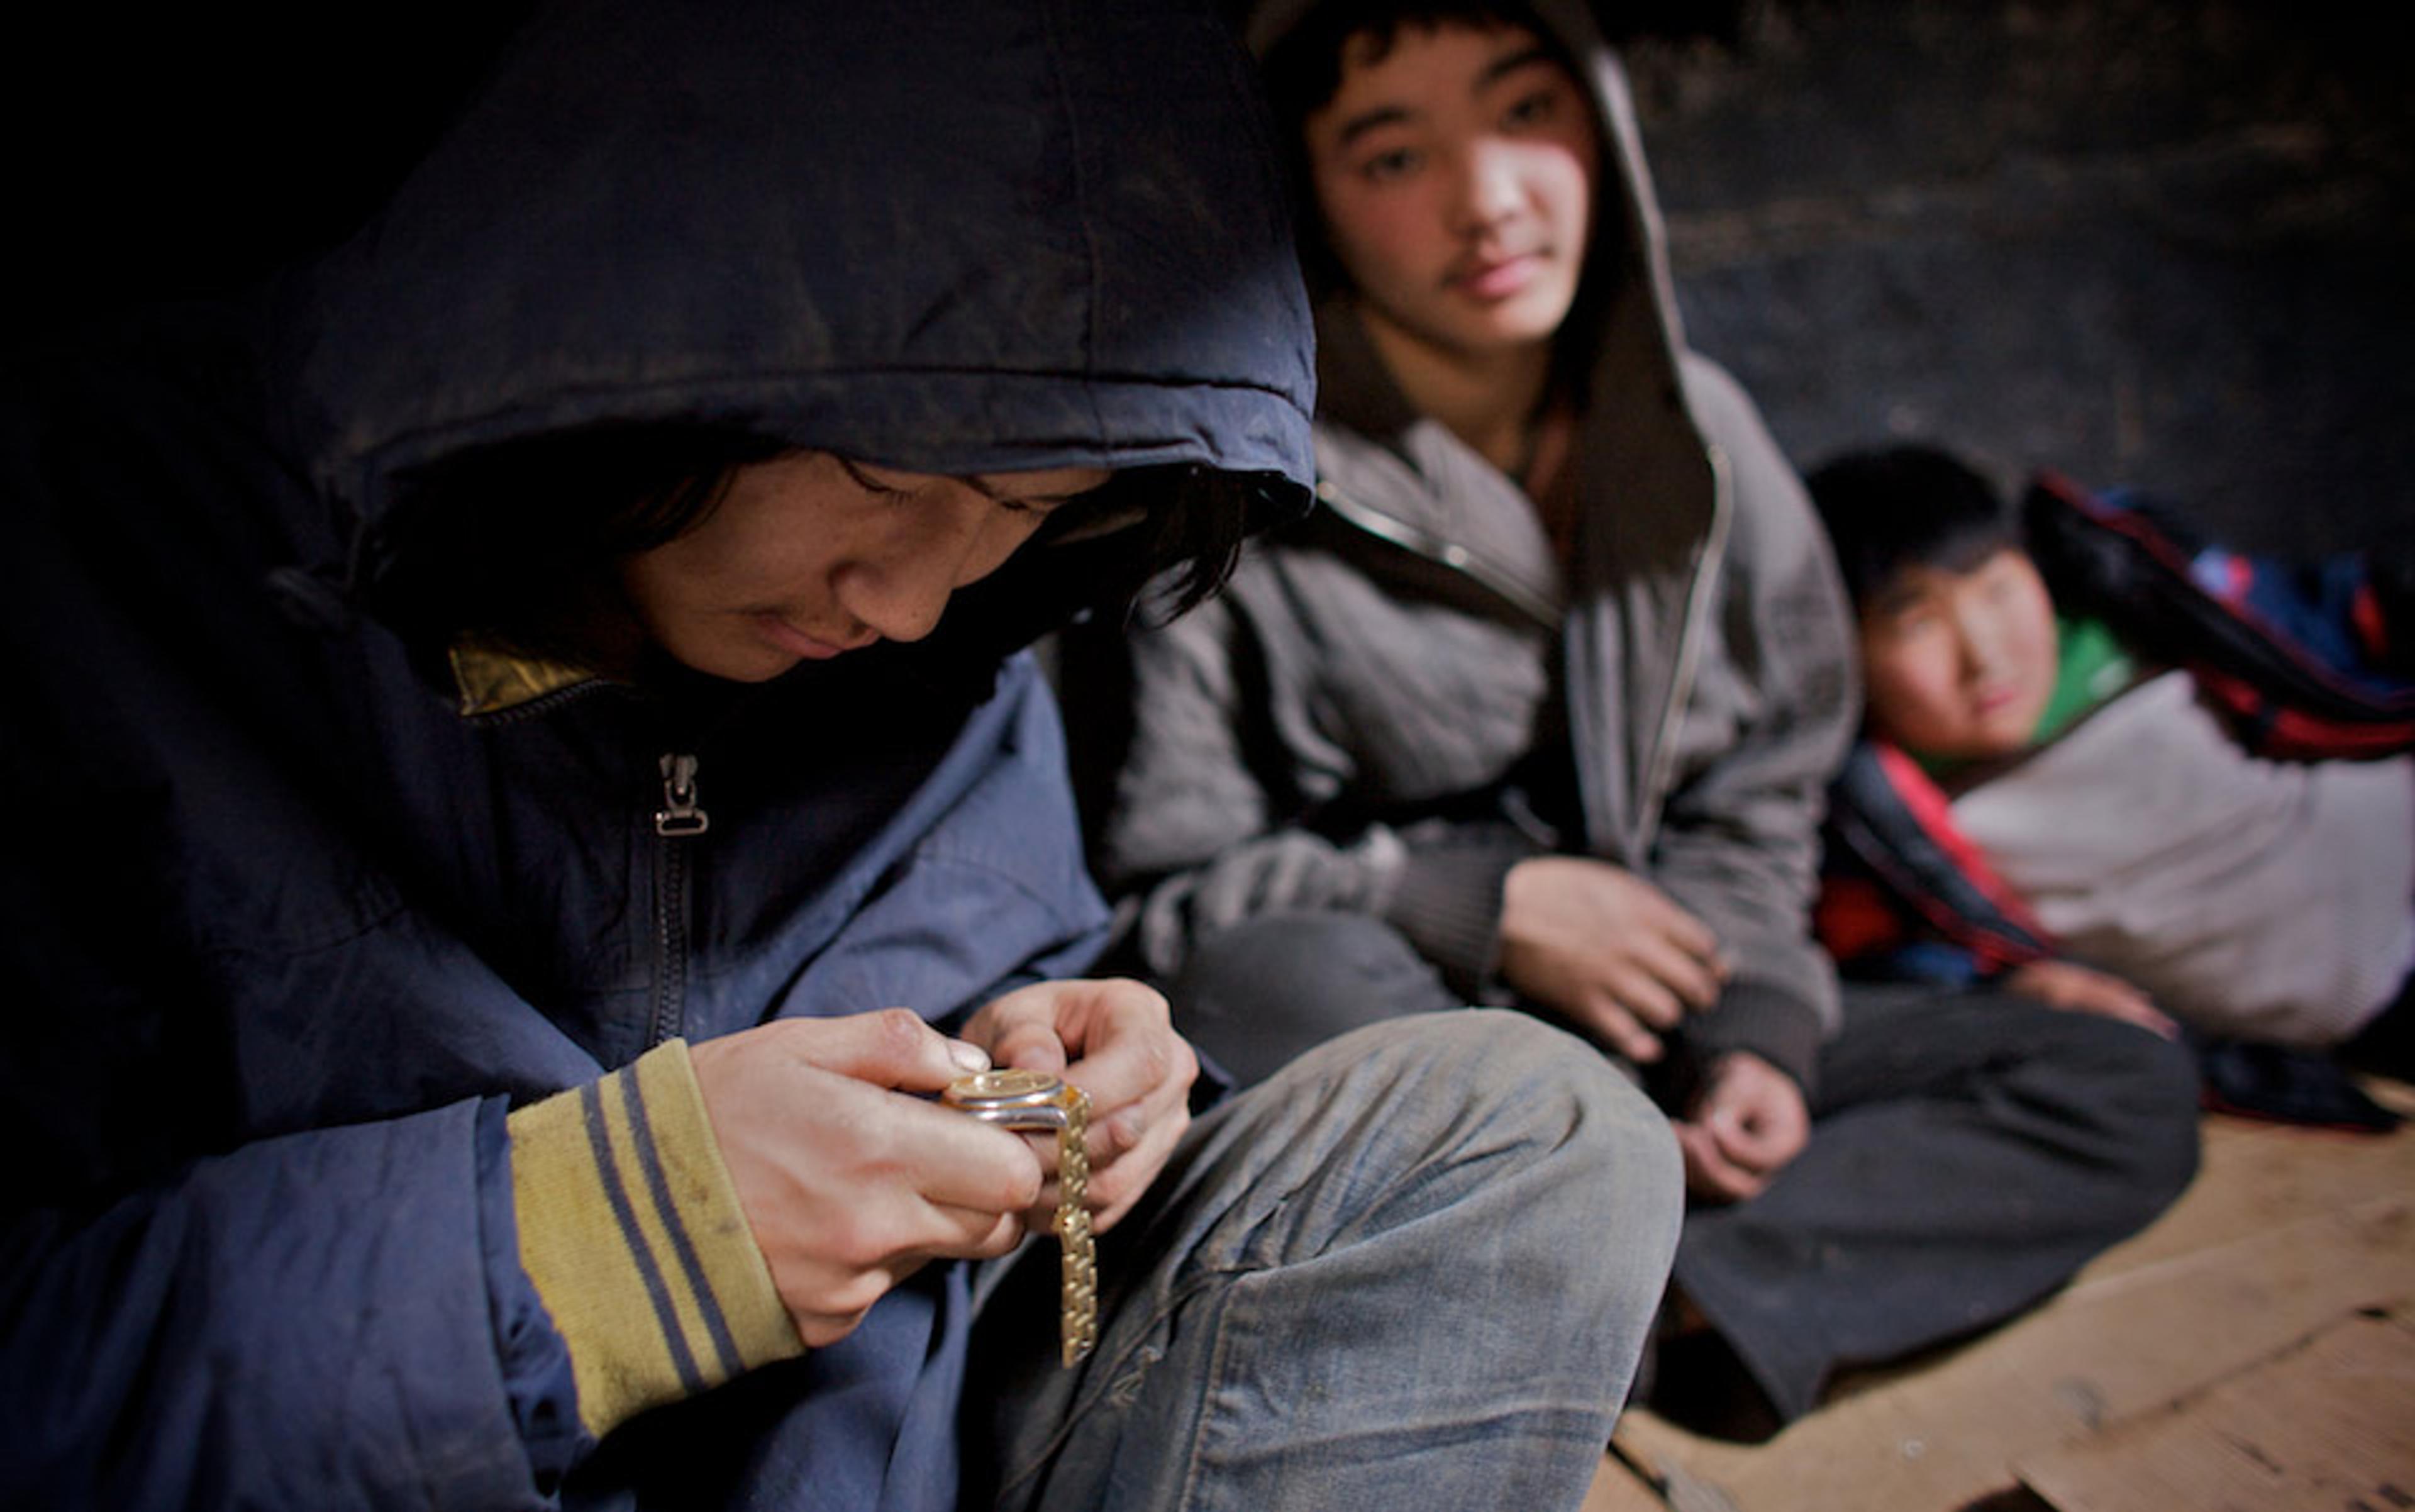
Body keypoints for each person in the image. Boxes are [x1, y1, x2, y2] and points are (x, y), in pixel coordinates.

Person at [0, 3, 1687, 1508]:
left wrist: (1065, 1044)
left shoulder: (953, 640)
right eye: (882, 473)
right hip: (392, 1439)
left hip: (896, 1440)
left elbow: (1007, 948)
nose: (910, 599)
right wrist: (586, 1244)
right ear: (622, 333)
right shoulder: (95, 553)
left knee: (1533, 1131)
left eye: (1028, 510)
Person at [1065, 0, 2201, 1435]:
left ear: (1597, 131)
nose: (1488, 201)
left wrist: (1758, 1035)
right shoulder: (1233, 497)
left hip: (1652, 1023)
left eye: (1525, 113)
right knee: (1276, 980)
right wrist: (1484, 903)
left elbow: (1761, 783)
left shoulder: (1697, 438)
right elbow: (1167, 900)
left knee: (2117, 1079)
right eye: (1392, 155)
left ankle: (1649, 1296)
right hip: (1432, 1035)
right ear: (1309, 198)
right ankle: (1549, 1244)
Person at [1807, 443, 2415, 1119]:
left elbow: (2343, 617)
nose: (1985, 655)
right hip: (2365, 998)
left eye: (1999, 588)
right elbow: (1886, 972)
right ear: (1843, 654)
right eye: (1918, 622)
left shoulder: (2145, 595)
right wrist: (2013, 989)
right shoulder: (1887, 831)